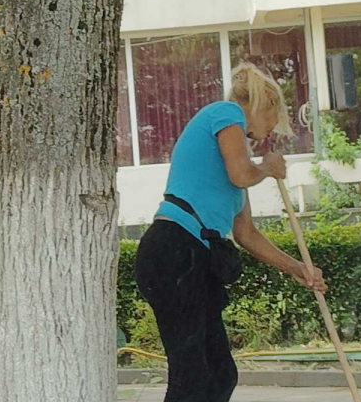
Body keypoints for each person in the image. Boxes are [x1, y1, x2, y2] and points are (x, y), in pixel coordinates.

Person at [135, 62, 327, 402]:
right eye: (272, 122)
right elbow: (242, 174)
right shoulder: (224, 113)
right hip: (174, 250)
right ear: (265, 100)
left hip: (196, 258)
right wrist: (266, 168)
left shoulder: (239, 162)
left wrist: (298, 269)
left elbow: (247, 233)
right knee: (191, 376)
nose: (267, 135)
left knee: (220, 374)